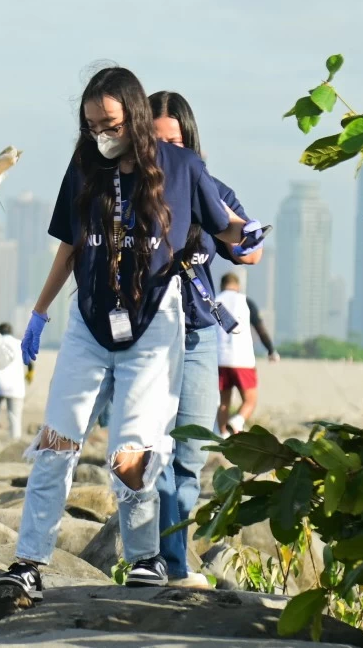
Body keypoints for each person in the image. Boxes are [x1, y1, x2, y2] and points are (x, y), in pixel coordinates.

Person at [0, 67, 262, 598]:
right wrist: (40, 312)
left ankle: (145, 560)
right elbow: (69, 245)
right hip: (88, 323)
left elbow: (227, 225)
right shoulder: (84, 167)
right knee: (56, 441)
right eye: (92, 124)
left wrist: (246, 232)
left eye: (109, 123)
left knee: (132, 453)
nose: (101, 134)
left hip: (155, 324)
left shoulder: (182, 166)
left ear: (134, 116)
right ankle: (28, 560)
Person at [150, 91, 264, 588]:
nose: (164, 152)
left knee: (190, 452)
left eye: (173, 141)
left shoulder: (208, 186)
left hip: (196, 334)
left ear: (190, 142)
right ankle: (155, 559)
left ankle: (173, 560)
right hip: (143, 335)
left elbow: (246, 247)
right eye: (154, 142)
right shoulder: (125, 189)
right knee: (147, 447)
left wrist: (247, 235)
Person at [216, 272, 279, 435]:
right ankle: (237, 421)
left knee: (223, 402)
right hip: (242, 359)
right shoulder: (245, 301)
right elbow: (261, 330)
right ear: (237, 286)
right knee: (250, 400)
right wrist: (271, 350)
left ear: (221, 285)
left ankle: (222, 436)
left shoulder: (214, 301)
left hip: (219, 358)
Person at [0, 322, 31, 441]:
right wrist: (29, 375)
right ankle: (15, 441)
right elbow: (30, 361)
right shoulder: (20, 344)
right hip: (15, 386)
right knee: (14, 416)